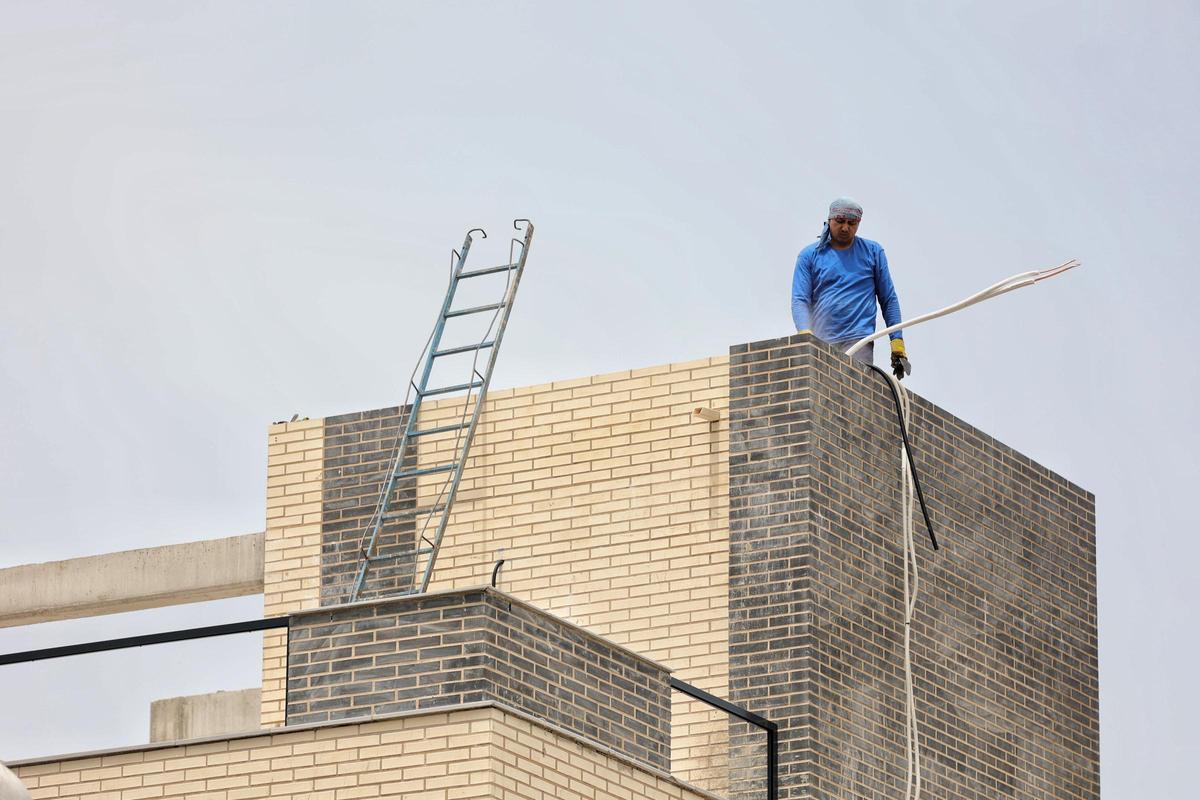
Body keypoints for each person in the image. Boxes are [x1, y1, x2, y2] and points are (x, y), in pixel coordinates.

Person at [791, 197, 911, 379]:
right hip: (821, 340)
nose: (845, 228)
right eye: (840, 221)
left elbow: (888, 299)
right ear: (829, 220)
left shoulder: (872, 252)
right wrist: (804, 333)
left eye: (851, 223)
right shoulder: (810, 255)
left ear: (859, 223)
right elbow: (800, 299)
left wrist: (897, 341)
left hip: (858, 338)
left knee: (853, 391)